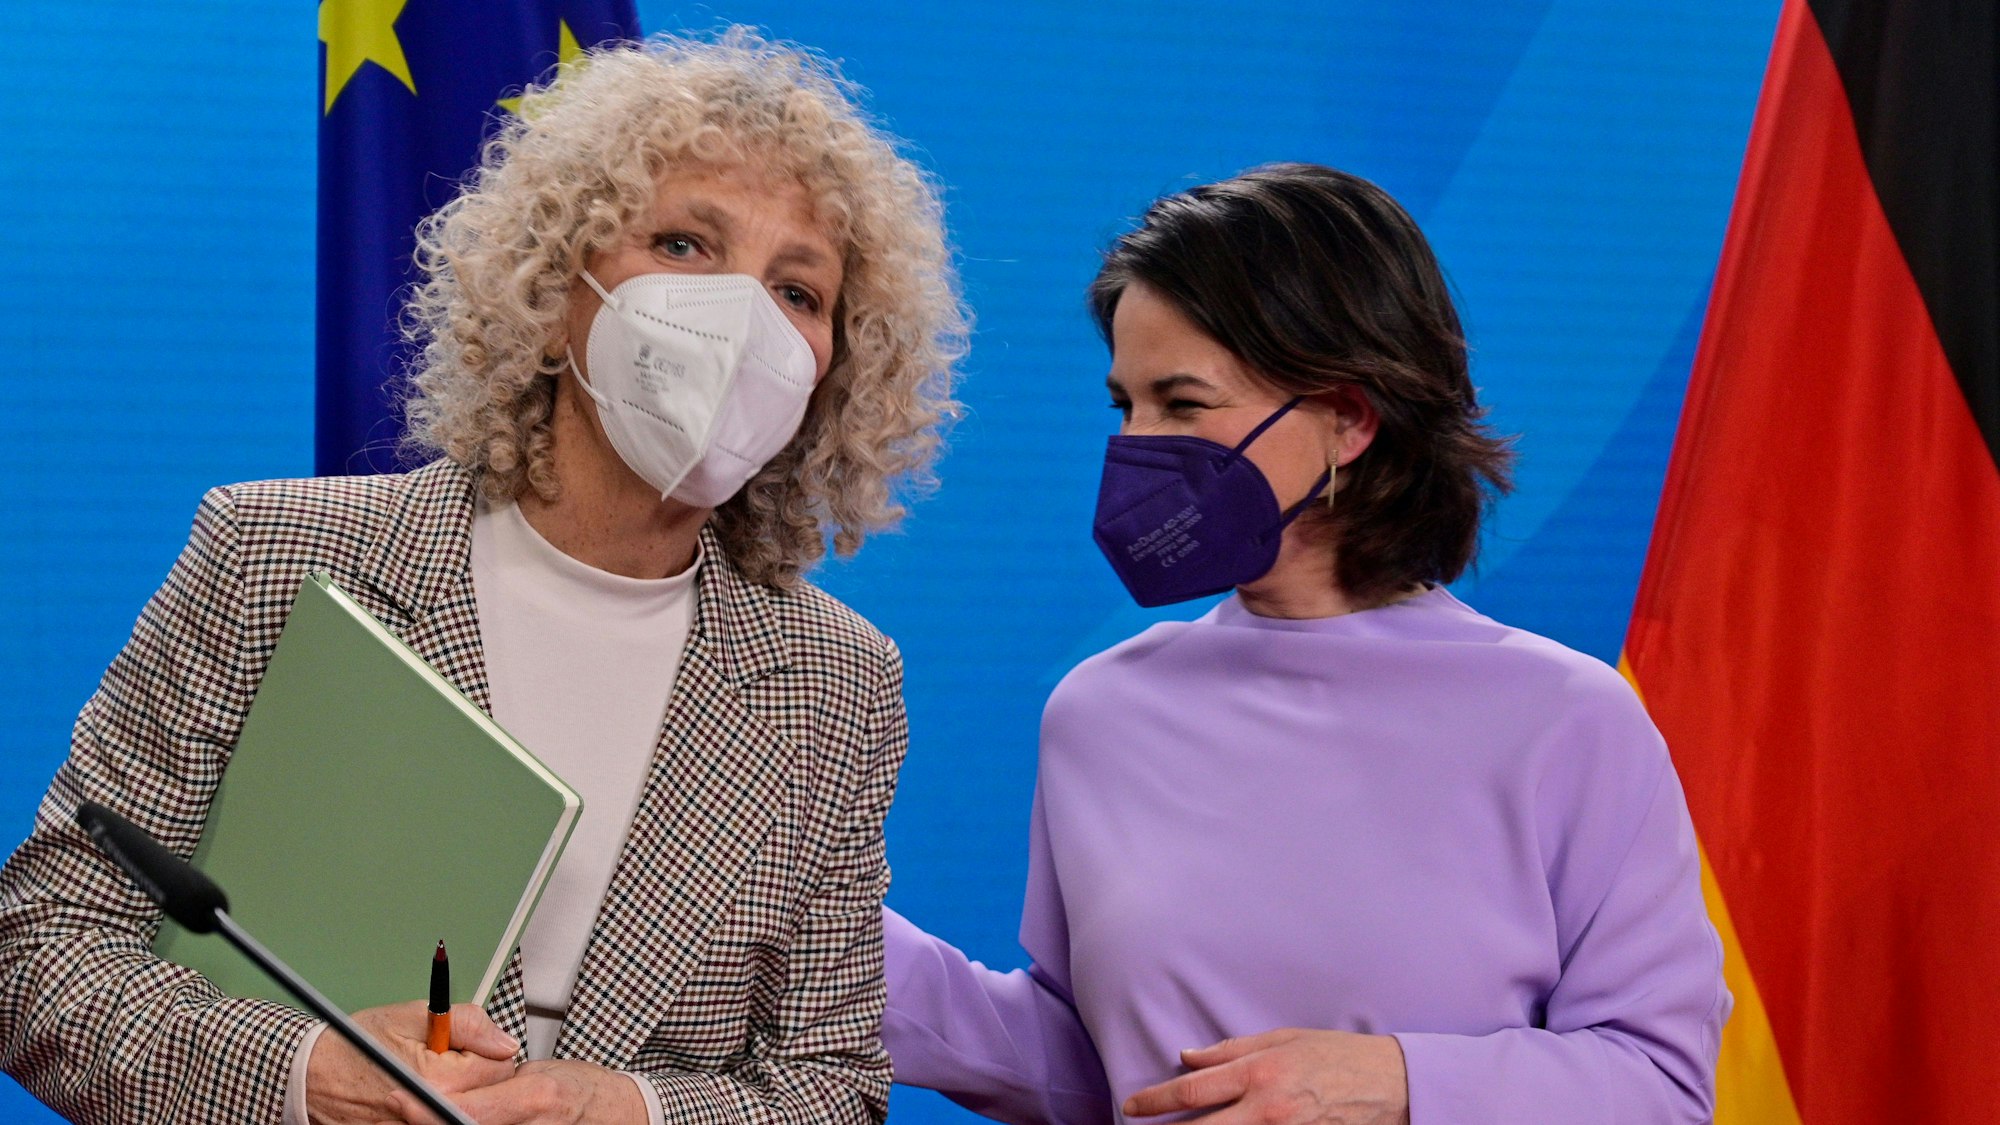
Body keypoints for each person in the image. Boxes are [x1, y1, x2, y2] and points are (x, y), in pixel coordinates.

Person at [0, 31, 964, 1125]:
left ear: (835, 368)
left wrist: (627, 1112)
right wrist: (308, 1075)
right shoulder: (272, 555)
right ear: (557, 288)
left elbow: (832, 1089)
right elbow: (40, 950)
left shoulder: (837, 682)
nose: (744, 319)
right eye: (684, 243)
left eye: (798, 290)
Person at [881, 164, 1727, 1124]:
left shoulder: (1569, 721)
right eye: (1126, 405)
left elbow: (1660, 1085)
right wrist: (819, 940)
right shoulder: (1099, 710)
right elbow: (1099, 1066)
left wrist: (1396, 1080)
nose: (1139, 444)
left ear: (1349, 419)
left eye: (1183, 403)